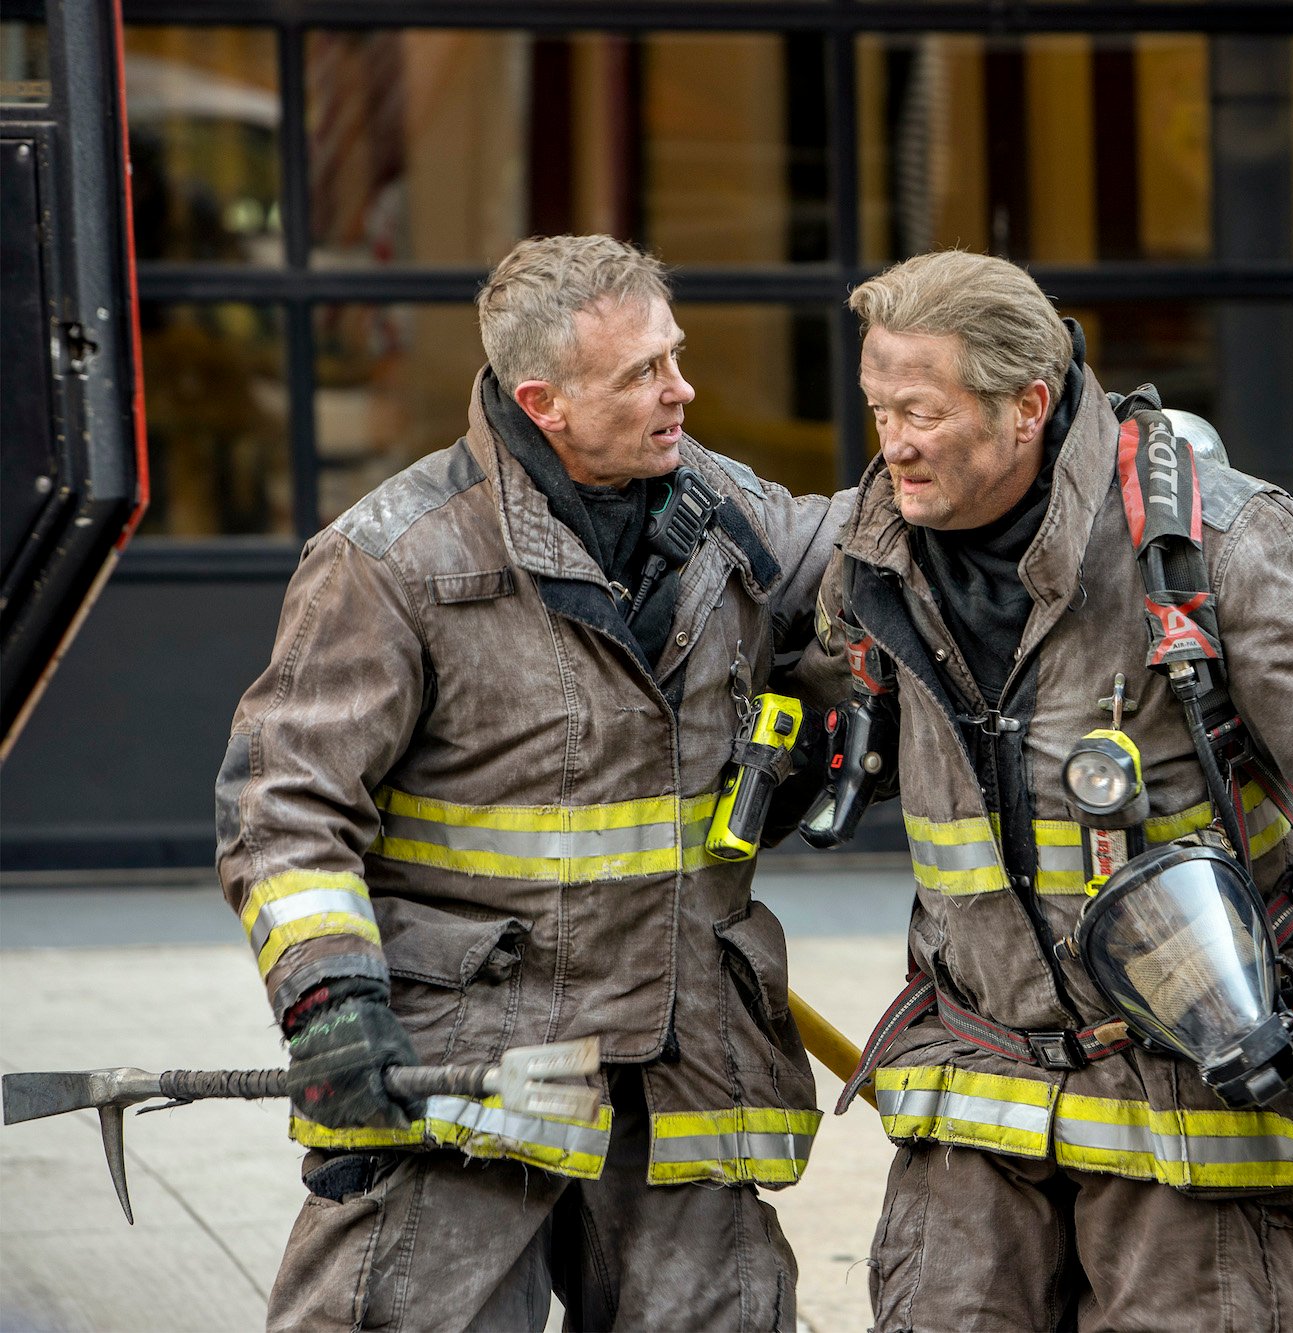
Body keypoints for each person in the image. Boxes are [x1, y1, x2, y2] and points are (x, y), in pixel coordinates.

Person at [819, 250, 1293, 1331]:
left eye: (919, 411)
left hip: (1201, 1117)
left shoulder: (1215, 548)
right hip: (974, 1114)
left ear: (1026, 406)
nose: (893, 444)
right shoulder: (869, 557)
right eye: (878, 409)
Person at [216, 234, 846, 1331]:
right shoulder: (391, 560)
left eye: (675, 354)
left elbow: (858, 550)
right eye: (642, 371)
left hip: (680, 1065)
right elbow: (284, 811)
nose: (680, 388)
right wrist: (329, 1003)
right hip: (473, 1063)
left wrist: (1075, 448)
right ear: (542, 399)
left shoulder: (719, 510)